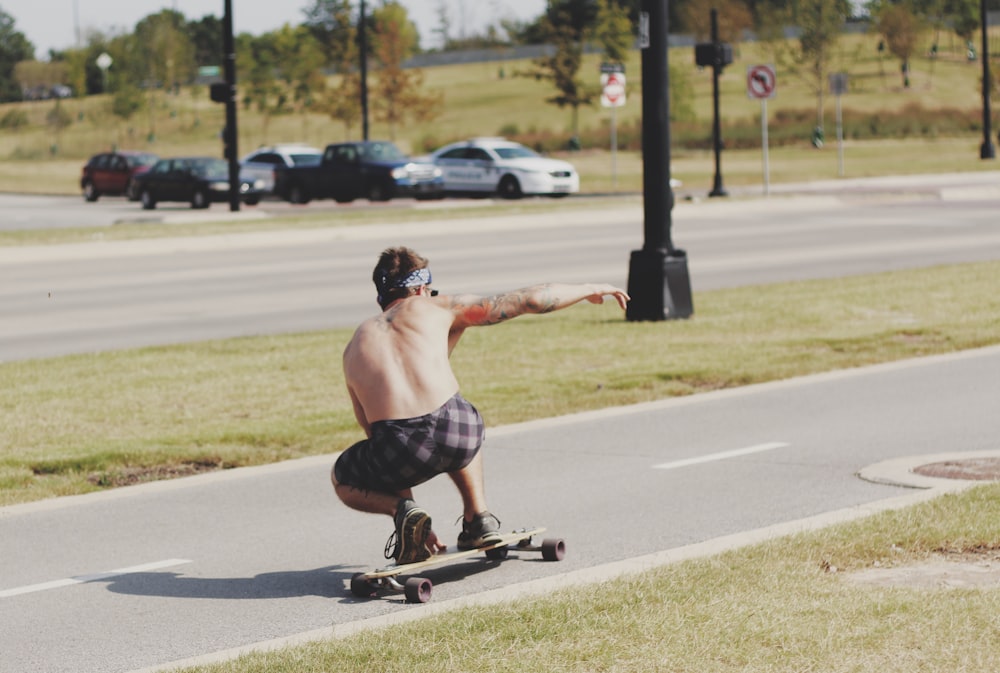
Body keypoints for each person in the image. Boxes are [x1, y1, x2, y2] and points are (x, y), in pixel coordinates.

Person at [332, 246, 630, 564]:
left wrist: (406, 511)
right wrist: (590, 289)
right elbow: (527, 300)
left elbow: (376, 435)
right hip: (458, 430)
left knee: (343, 477)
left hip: (399, 445)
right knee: (455, 415)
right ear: (421, 289)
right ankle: (479, 517)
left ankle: (401, 511)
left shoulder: (354, 347)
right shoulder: (438, 307)